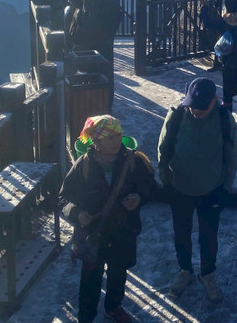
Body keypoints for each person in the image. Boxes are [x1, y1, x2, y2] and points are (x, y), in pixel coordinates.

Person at [60, 115, 156, 323]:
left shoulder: (134, 161)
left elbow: (151, 188)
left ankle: (113, 307)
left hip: (123, 231)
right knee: (90, 280)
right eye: (110, 137)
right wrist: (77, 213)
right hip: (92, 236)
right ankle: (86, 317)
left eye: (119, 135)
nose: (117, 141)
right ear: (97, 142)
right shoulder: (83, 166)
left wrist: (139, 198)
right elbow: (64, 198)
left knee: (118, 274)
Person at [157, 77, 237, 302]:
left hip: (211, 189)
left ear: (215, 101)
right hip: (180, 188)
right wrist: (165, 178)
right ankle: (185, 270)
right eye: (193, 106)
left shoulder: (224, 119)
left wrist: (226, 187)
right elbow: (163, 149)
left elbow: (232, 154)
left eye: (202, 107)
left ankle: (208, 273)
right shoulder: (176, 116)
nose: (197, 111)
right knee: (181, 234)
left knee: (208, 235)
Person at [71, 0, 122, 108]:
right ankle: (93, 105)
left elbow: (111, 18)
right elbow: (87, 13)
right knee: (90, 73)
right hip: (87, 41)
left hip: (100, 42)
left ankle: (104, 105)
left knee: (103, 73)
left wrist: (103, 37)